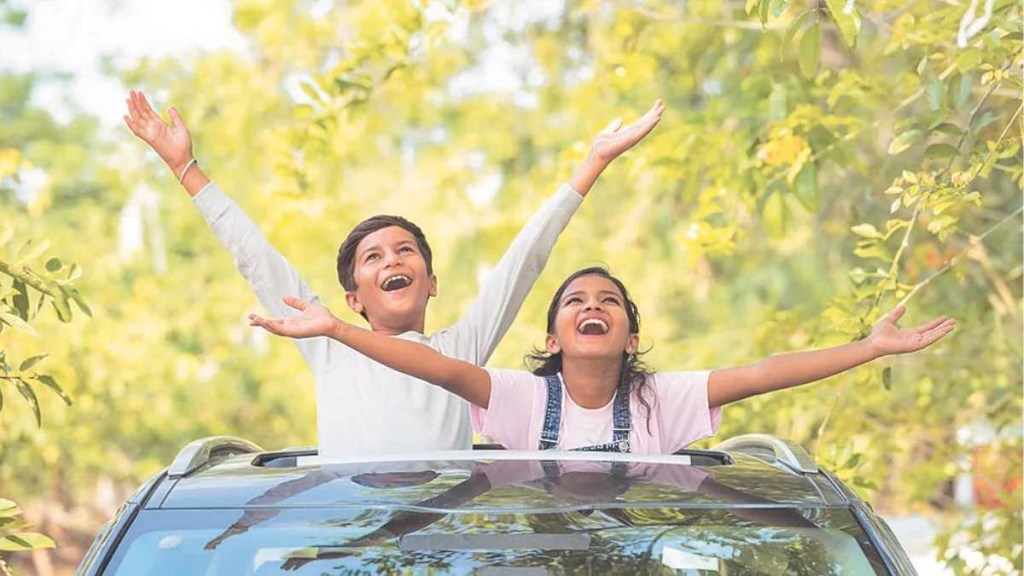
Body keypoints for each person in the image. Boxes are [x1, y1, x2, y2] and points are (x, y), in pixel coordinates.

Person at [124, 90, 665, 456]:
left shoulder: (459, 349)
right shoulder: (329, 343)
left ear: (431, 282)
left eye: (406, 251)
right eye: (374, 258)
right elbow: (253, 255)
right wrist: (184, 169)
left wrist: (591, 164)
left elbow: (526, 260)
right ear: (353, 298)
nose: (394, 261)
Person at [249, 266, 955, 454]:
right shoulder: (519, 398)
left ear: (631, 335)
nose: (594, 305)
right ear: (554, 335)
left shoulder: (664, 401)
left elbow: (768, 370)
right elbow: (428, 365)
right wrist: (337, 332)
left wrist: (869, 349)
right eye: (576, 300)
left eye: (609, 300)